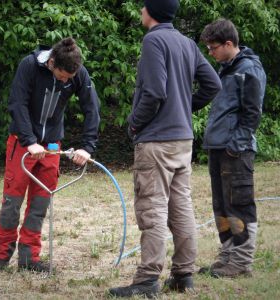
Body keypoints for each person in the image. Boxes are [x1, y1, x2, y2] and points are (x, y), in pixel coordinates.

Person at [108, 0, 222, 297]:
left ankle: (147, 280)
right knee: (181, 207)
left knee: (152, 209)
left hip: (156, 141)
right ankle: (184, 275)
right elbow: (213, 85)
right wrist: (184, 107)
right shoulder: (186, 43)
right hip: (182, 140)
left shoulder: (153, 41)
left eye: (143, 6)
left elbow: (155, 91)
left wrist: (134, 123)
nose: (140, 11)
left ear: (151, 11)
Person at [0, 37, 100, 273]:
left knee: (39, 204)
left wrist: (87, 147)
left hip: (51, 148)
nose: (66, 81)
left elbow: (92, 108)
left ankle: (29, 258)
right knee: (11, 203)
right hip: (22, 144)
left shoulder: (77, 73)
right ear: (51, 63)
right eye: (62, 76)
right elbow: (17, 104)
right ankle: (1, 255)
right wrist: (29, 141)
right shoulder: (29, 66)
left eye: (70, 78)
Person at [198, 19, 266, 278]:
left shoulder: (249, 69)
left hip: (236, 150)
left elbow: (252, 113)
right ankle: (227, 255)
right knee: (222, 205)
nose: (210, 52)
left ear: (229, 44)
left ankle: (241, 261)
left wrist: (235, 146)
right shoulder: (226, 69)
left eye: (213, 47)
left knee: (239, 205)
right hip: (218, 147)